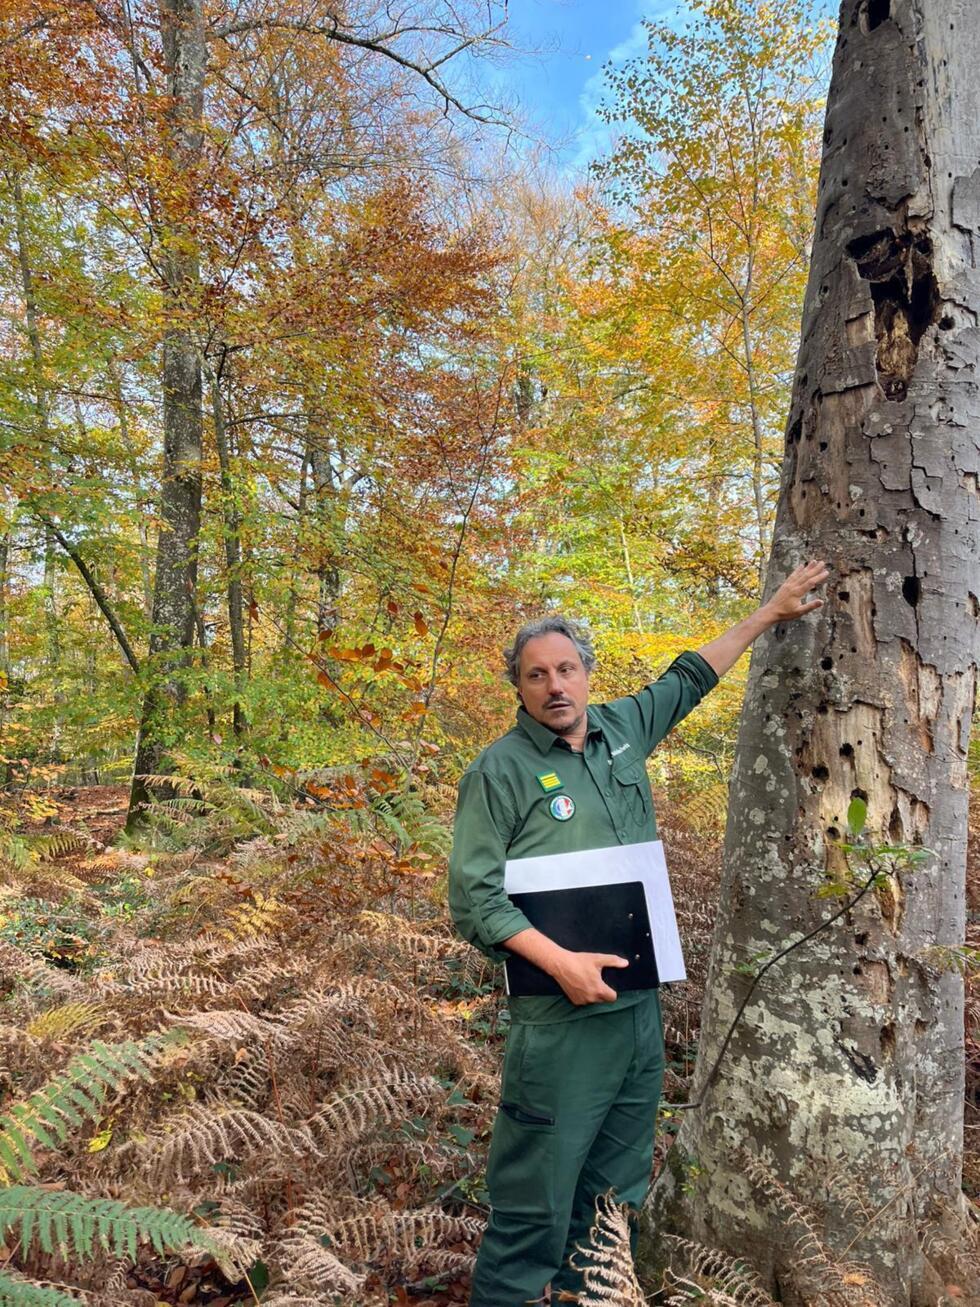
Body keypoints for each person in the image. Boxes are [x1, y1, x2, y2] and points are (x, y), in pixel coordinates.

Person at [447, 560, 830, 1307]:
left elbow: (690, 677)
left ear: (587, 674)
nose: (554, 686)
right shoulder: (498, 770)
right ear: (518, 688)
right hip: (559, 1024)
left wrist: (767, 613)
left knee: (611, 1201)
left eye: (566, 669)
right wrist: (558, 964)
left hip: (637, 1016)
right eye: (535, 675)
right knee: (534, 1206)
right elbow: (473, 898)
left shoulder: (623, 728)